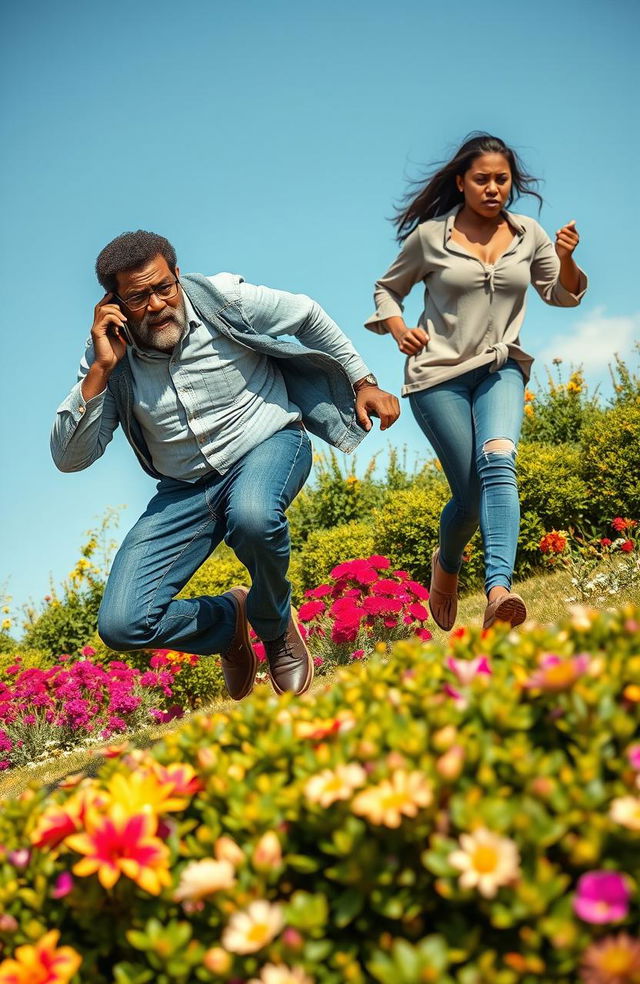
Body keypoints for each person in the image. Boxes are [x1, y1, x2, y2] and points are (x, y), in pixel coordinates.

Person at [51, 231, 399, 698]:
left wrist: (363, 381)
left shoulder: (223, 299)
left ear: (177, 276)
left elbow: (307, 314)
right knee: (122, 624)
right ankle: (228, 623)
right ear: (113, 303)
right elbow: (71, 459)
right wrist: (99, 371)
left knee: (253, 516)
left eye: (163, 288)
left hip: (268, 443)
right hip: (184, 490)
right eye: (138, 297)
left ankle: (274, 630)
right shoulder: (107, 357)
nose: (156, 304)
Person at [366, 133, 587, 630]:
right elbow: (387, 289)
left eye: (502, 180)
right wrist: (399, 328)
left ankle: (498, 593)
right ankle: (445, 566)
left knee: (499, 460)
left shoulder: (529, 233)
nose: (493, 188)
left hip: (501, 367)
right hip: (436, 377)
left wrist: (568, 257)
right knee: (468, 498)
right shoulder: (429, 238)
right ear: (461, 182)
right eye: (482, 179)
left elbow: (559, 292)